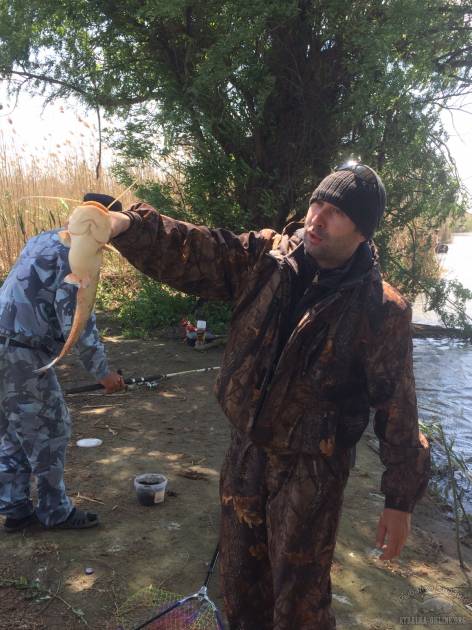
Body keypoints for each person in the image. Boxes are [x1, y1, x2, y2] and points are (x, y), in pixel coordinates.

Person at [106, 164, 430, 629]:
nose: (317, 218)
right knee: (239, 590)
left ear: (362, 231)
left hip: (310, 474)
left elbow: (398, 407)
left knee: (299, 603)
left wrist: (400, 501)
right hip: (245, 454)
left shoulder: (381, 309)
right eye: (317, 202)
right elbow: (193, 250)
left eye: (336, 212)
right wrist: (124, 224)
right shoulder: (266, 259)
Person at [0, 193, 125, 533]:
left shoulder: (44, 237)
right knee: (51, 430)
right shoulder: (77, 257)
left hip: (6, 343)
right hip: (23, 354)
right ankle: (55, 512)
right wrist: (103, 373)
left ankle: (15, 508)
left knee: (14, 429)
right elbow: (79, 322)